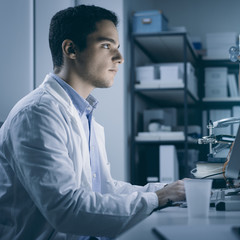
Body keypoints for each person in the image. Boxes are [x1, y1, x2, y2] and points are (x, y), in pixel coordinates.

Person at [0, 5, 185, 240]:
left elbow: (103, 189)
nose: (119, 58)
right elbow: (66, 210)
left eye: (117, 47)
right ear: (71, 49)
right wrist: (157, 199)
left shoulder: (82, 113)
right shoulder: (37, 114)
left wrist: (170, 190)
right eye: (107, 46)